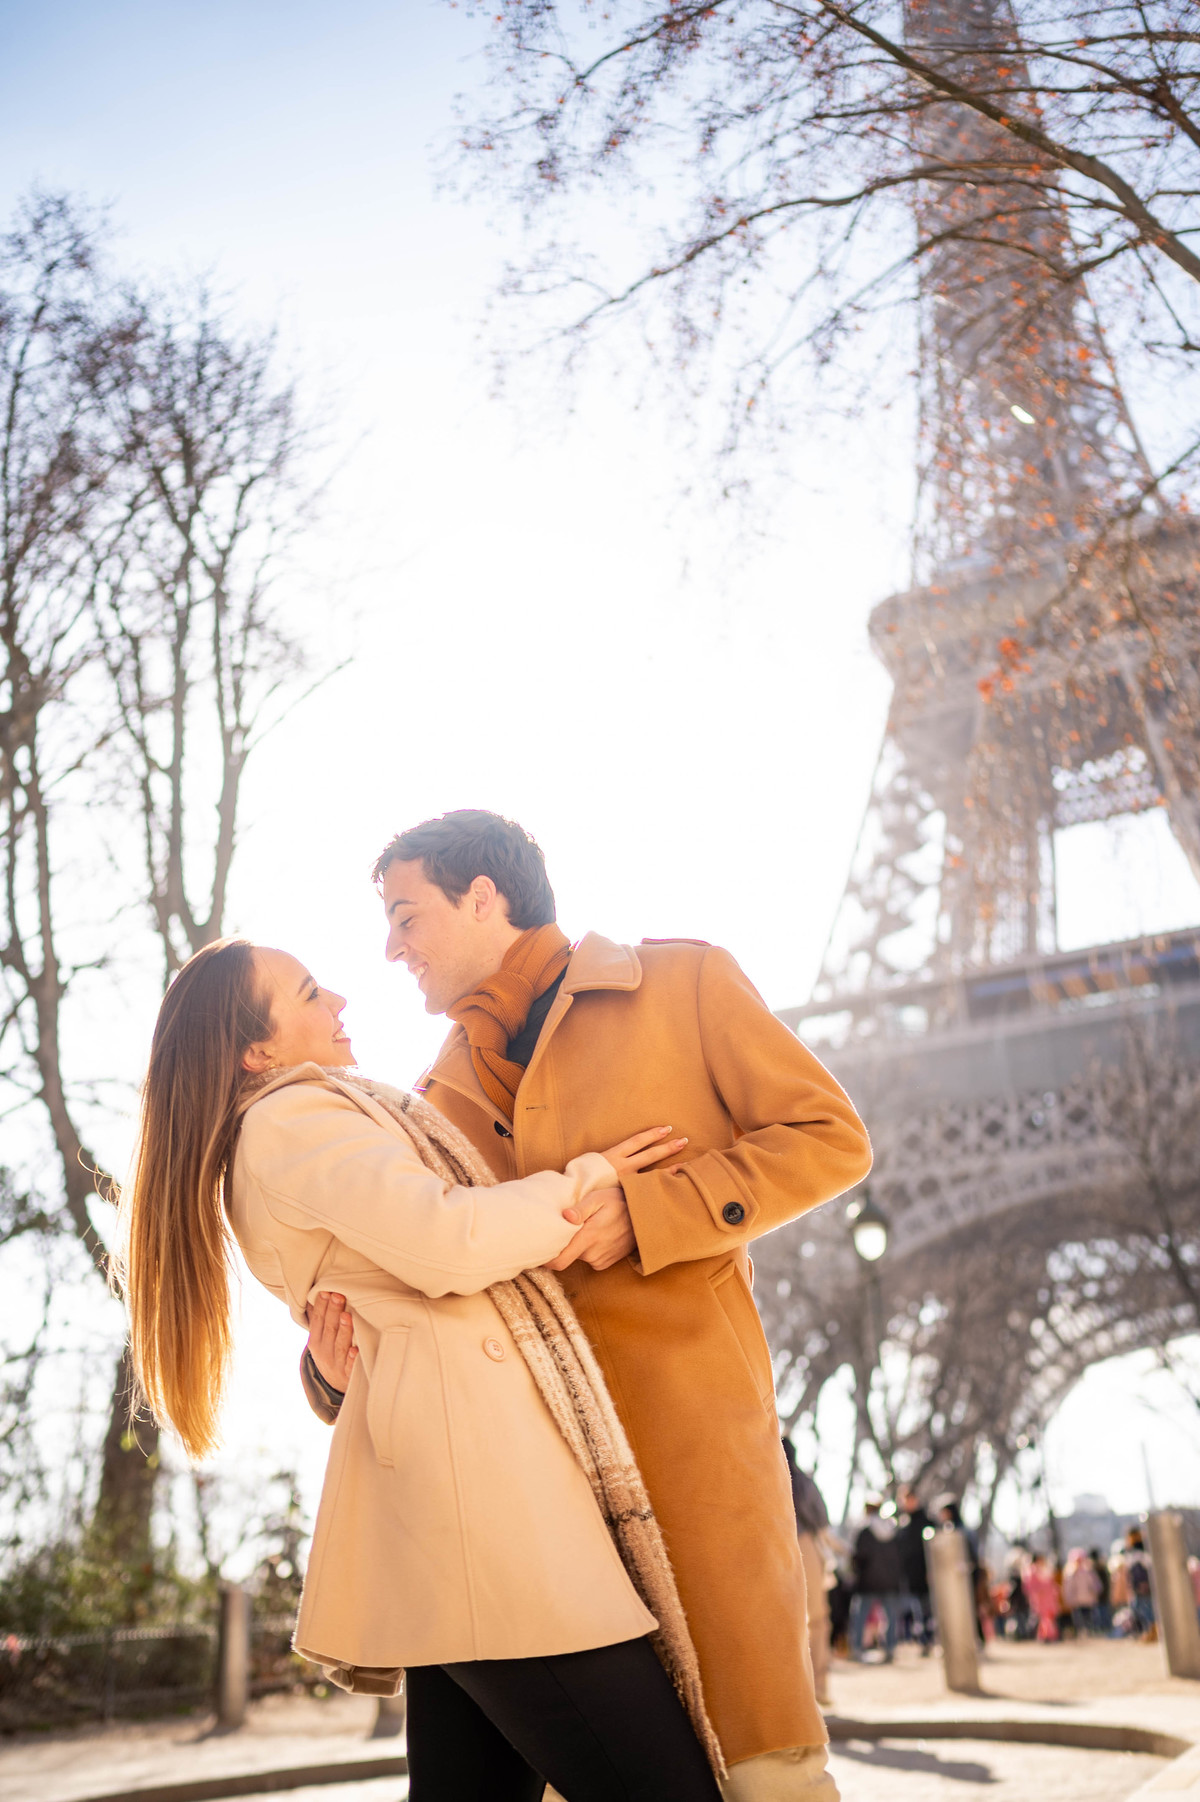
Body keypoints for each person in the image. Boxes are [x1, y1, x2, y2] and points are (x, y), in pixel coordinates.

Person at [306, 810, 871, 1801]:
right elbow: (408, 1283)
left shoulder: (685, 982)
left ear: (484, 895)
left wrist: (651, 1209)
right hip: (536, 1514)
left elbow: (830, 1135)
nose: (390, 947)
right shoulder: (424, 1099)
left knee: (766, 1776)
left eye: (407, 915)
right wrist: (329, 1368)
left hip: (694, 1469)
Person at [117, 939, 724, 1802]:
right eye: (308, 992)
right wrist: (592, 1179)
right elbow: (450, 1240)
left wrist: (328, 1376)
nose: (339, 999)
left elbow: (380, 1299)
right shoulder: (291, 1120)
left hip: (451, 1518)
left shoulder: (289, 1125)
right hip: (484, 1515)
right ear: (257, 1051)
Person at [782, 1440, 834, 1707]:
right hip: (805, 1547)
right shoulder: (803, 1482)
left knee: (783, 1623)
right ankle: (819, 1686)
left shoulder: (760, 1476)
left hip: (772, 1549)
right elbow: (822, 1523)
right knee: (817, 1621)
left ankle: (790, 1692)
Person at [849, 1499, 903, 1662]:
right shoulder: (892, 1530)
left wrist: (856, 1572)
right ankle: (890, 1649)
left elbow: (859, 1557)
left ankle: (856, 1648)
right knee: (890, 1616)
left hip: (868, 1581)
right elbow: (898, 1558)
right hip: (889, 1581)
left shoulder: (864, 1531)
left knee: (861, 1615)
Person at [894, 1486, 934, 1654]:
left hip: (926, 1573)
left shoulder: (925, 1521)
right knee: (917, 1611)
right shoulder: (902, 1522)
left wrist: (930, 1570)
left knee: (928, 1609)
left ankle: (930, 1640)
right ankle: (923, 1640)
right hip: (910, 1575)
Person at [1062, 1546, 1101, 1636]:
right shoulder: (1070, 1572)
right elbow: (1067, 1587)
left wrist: (1095, 1592)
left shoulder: (1088, 1571)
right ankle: (1080, 1631)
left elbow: (1096, 1584)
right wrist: (1068, 1597)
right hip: (1076, 1600)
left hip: (1088, 1599)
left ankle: (1089, 1630)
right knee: (1078, 1617)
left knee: (1088, 1616)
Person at [1125, 1528, 1155, 1639]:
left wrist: (1142, 1583)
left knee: (1145, 1610)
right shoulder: (1142, 1550)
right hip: (1140, 1587)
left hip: (1142, 1587)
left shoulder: (1137, 1552)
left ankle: (1151, 1632)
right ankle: (1148, 1632)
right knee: (1141, 1609)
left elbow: (1138, 1571)